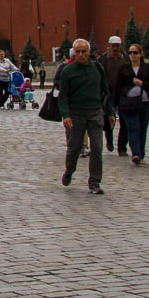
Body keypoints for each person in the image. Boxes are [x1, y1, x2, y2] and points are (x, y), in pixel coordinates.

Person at [58, 39, 114, 194]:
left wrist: (110, 112)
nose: (81, 54)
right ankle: (69, 171)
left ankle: (94, 182)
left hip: (95, 112)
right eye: (78, 52)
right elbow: (63, 96)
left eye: (84, 51)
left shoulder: (97, 68)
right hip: (76, 114)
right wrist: (66, 115)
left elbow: (105, 92)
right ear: (74, 53)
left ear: (89, 52)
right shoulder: (68, 71)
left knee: (96, 148)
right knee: (74, 148)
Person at [115, 44, 149, 165]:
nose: (132, 55)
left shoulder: (147, 68)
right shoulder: (124, 68)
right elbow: (118, 87)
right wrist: (114, 104)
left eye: (135, 52)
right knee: (133, 128)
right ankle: (136, 154)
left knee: (142, 130)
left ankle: (141, 154)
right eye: (130, 53)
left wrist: (142, 84)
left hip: (146, 103)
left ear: (141, 54)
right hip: (128, 104)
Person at [98, 37, 129, 156]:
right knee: (108, 119)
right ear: (109, 45)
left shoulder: (125, 58)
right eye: (113, 45)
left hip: (123, 93)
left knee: (125, 120)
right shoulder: (103, 59)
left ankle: (122, 147)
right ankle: (109, 139)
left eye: (117, 45)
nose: (115, 48)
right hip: (108, 93)